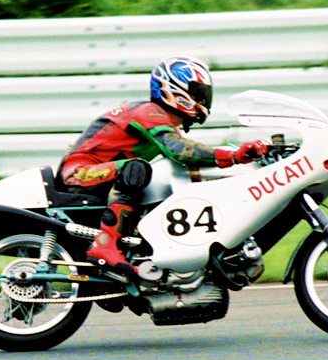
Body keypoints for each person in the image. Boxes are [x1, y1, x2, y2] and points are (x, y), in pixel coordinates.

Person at [56, 56, 267, 275]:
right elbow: (180, 150)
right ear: (174, 89)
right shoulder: (149, 111)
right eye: (197, 93)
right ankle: (105, 244)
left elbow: (186, 154)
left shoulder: (161, 121)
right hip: (79, 172)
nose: (202, 99)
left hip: (98, 174)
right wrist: (233, 155)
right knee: (135, 169)